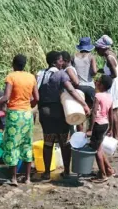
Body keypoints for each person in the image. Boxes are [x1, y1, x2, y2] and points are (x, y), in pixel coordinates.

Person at [0, 54, 39, 186]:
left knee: (12, 145)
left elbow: (5, 97)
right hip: (27, 115)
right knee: (26, 144)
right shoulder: (31, 77)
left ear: (14, 64)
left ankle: (13, 178)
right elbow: (37, 98)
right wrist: (28, 106)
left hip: (14, 115)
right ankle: (27, 178)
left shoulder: (11, 77)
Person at [38, 51, 90, 180]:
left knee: (48, 142)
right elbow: (71, 90)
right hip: (58, 112)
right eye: (61, 60)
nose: (63, 63)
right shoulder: (61, 74)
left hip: (44, 112)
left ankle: (46, 173)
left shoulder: (40, 74)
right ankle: (66, 171)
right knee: (64, 142)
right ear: (56, 62)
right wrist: (84, 104)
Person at [95, 35, 118, 143]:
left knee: (113, 111)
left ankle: (117, 137)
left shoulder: (109, 57)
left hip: (115, 86)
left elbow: (114, 74)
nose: (96, 50)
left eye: (98, 48)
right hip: (116, 84)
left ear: (103, 48)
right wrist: (100, 71)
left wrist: (102, 81)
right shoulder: (110, 54)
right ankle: (114, 134)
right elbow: (109, 71)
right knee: (113, 111)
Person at [88, 75, 115, 183]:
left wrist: (90, 128)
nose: (96, 82)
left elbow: (94, 112)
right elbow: (111, 114)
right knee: (99, 147)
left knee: (96, 150)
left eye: (98, 81)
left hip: (98, 124)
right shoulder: (109, 97)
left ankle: (102, 175)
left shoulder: (98, 96)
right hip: (105, 124)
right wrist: (111, 128)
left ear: (101, 85)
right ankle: (108, 170)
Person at [73, 37, 98, 132]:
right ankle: (89, 131)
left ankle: (79, 132)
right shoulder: (91, 57)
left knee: (80, 110)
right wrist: (92, 73)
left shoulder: (74, 56)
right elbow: (94, 71)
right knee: (91, 110)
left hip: (78, 87)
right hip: (89, 86)